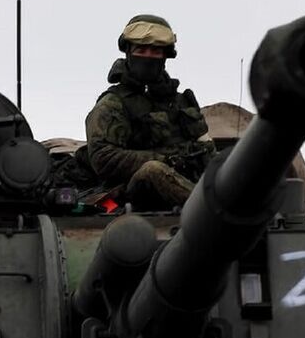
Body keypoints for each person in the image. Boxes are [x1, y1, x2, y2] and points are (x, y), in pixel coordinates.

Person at [85, 14, 216, 210]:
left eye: (155, 51)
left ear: (165, 55)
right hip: (134, 194)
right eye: (141, 50)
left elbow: (208, 151)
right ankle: (213, 209)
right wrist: (167, 160)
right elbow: (103, 158)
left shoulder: (181, 102)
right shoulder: (113, 103)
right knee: (153, 170)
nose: (148, 56)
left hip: (191, 185)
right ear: (128, 52)